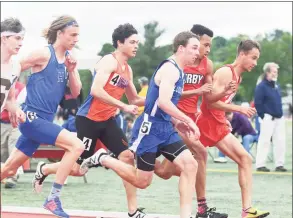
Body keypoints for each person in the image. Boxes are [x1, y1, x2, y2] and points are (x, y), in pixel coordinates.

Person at [80, 31, 201, 218]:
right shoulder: (170, 69)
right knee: (143, 181)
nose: (197, 53)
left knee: (190, 165)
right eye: (194, 48)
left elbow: (155, 102)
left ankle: (186, 215)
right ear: (181, 48)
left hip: (165, 128)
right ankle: (104, 158)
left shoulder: (179, 71)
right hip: (150, 130)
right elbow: (163, 103)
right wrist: (188, 120)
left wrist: (177, 122)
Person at [32, 23, 148, 218]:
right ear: (120, 43)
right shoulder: (108, 62)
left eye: (138, 42)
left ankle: (133, 211)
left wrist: (162, 98)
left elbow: (135, 99)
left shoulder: (128, 70)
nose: (136, 46)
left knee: (127, 157)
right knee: (78, 170)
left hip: (108, 121)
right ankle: (45, 168)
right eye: (132, 42)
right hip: (88, 120)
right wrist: (123, 106)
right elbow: (96, 90)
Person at [1, 15, 85, 218]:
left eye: (78, 36)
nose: (76, 39)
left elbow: (75, 92)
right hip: (31, 118)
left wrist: (72, 71)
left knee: (9, 170)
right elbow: (14, 68)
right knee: (77, 146)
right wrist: (12, 103)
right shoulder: (43, 54)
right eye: (72, 35)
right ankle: (53, 198)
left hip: (43, 123)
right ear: (60, 33)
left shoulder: (69, 61)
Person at [154, 24, 233, 218]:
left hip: (190, 118)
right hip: (174, 118)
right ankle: (201, 209)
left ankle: (129, 157)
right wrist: (195, 93)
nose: (207, 49)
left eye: (208, 46)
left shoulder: (207, 64)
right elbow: (167, 96)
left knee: (165, 171)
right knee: (200, 153)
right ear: (193, 42)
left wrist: (224, 96)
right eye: (204, 45)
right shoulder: (178, 63)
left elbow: (209, 96)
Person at [196, 40, 269, 218]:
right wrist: (240, 109)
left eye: (257, 59)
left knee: (170, 170)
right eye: (253, 58)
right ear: (242, 54)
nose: (255, 63)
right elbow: (210, 101)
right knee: (245, 159)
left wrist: (225, 117)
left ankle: (245, 210)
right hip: (208, 123)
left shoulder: (238, 76)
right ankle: (246, 210)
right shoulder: (225, 72)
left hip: (216, 122)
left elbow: (221, 102)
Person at [254, 62, 287, 172]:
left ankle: (279, 164)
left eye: (276, 72)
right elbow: (258, 103)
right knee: (264, 141)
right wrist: (263, 116)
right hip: (268, 118)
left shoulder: (276, 86)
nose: (275, 74)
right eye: (273, 72)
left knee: (280, 141)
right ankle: (260, 164)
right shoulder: (261, 86)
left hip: (279, 118)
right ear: (267, 72)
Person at [0, 17, 26, 126]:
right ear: (4, 38)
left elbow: (9, 100)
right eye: (17, 38)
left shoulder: (16, 68)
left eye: (22, 39)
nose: (21, 43)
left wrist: (16, 110)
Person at [1, 81, 26, 189]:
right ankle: (4, 174)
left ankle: (12, 176)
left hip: (16, 124)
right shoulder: (2, 83)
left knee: (13, 149)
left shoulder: (22, 88)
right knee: (2, 151)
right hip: (2, 122)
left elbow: (22, 103)